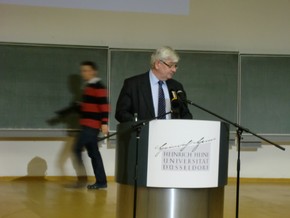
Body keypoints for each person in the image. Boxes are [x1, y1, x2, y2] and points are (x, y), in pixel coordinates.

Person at [115, 46, 192, 122]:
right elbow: (121, 113)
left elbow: (185, 114)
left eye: (175, 66)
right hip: (143, 133)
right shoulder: (133, 84)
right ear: (158, 64)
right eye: (171, 65)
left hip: (171, 133)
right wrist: (139, 125)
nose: (174, 70)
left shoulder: (176, 87)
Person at [69, 61, 109, 189]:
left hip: (91, 126)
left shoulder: (98, 86)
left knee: (76, 149)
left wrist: (104, 123)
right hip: (87, 125)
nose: (83, 73)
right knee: (94, 153)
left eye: (86, 70)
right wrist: (79, 107)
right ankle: (101, 182)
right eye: (82, 71)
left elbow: (104, 106)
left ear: (93, 71)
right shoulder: (88, 87)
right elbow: (89, 108)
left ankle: (82, 181)